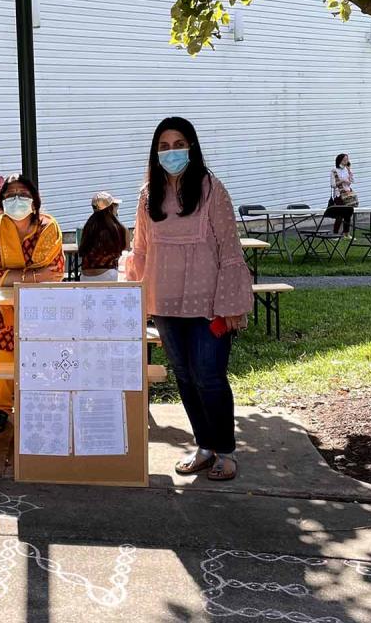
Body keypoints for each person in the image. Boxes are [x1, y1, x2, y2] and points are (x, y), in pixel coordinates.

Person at [126, 117, 253, 481]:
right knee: (183, 375)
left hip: (208, 304)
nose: (171, 152)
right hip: (164, 305)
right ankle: (204, 446)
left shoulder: (213, 189)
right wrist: (133, 299)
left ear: (192, 147)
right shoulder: (147, 194)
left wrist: (229, 304)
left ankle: (226, 451)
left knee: (209, 376)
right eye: (163, 146)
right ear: (155, 152)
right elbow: (141, 250)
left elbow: (230, 249)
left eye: (178, 144)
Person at [0, 173, 65, 433]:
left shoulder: (49, 227)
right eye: (10, 195)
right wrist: (33, 276)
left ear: (34, 200)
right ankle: (0, 408)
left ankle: (35, 404)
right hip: (4, 311)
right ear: (2, 201)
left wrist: (12, 277)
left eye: (23, 194)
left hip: (42, 311)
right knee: (1, 355)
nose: (17, 199)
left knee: (40, 358)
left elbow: (56, 272)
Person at [79, 191, 129, 282]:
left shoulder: (87, 227)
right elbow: (125, 252)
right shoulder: (119, 229)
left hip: (85, 277)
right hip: (108, 275)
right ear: (111, 208)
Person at [329, 153, 355, 235]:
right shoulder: (334, 170)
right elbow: (333, 185)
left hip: (348, 193)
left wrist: (350, 171)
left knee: (348, 214)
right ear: (340, 160)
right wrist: (342, 181)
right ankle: (335, 233)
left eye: (347, 159)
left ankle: (346, 233)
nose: (346, 161)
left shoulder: (347, 169)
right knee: (339, 215)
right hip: (339, 194)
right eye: (344, 160)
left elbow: (352, 181)